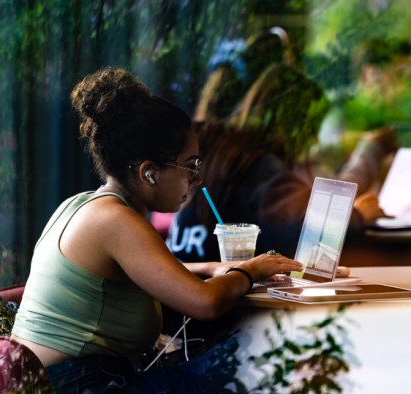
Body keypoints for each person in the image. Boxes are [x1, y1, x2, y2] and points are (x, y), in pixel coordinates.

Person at [9, 66, 304, 394]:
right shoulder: (116, 221)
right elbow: (205, 303)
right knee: (254, 353)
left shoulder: (85, 206)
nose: (198, 180)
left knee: (234, 361)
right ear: (149, 172)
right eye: (191, 166)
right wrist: (248, 270)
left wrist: (216, 270)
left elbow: (160, 274)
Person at [166, 63, 394, 263]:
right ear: (293, 126)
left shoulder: (212, 141)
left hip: (179, 280)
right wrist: (358, 216)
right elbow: (304, 230)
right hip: (221, 292)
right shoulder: (260, 166)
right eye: (311, 128)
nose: (313, 140)